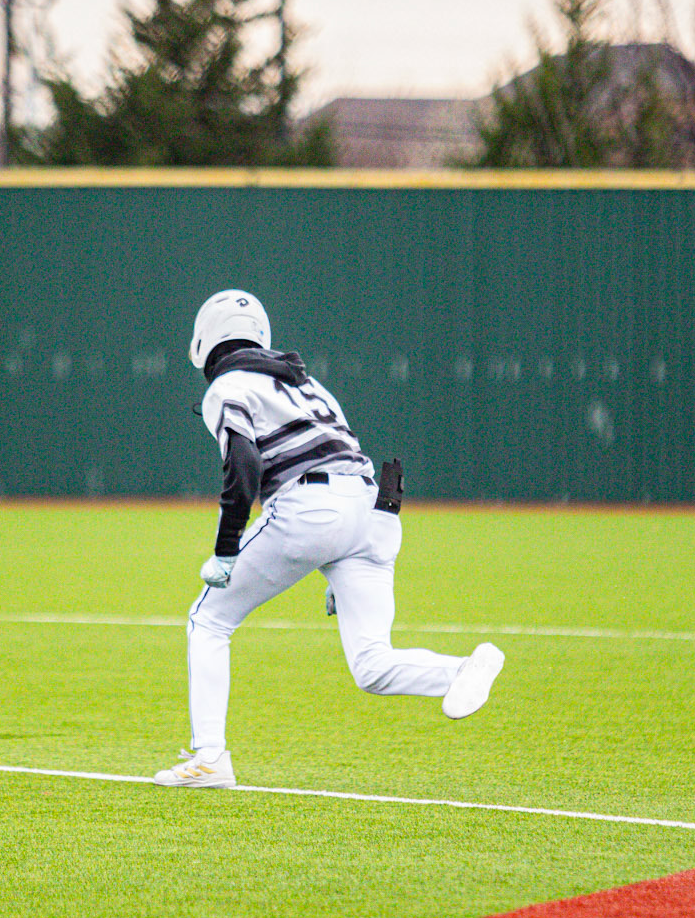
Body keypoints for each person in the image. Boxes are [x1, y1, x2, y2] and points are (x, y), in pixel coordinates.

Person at [155, 289, 503, 788]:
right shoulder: (308, 383)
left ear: (204, 342)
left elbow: (244, 465)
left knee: (208, 620)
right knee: (372, 664)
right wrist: (335, 559)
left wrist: (226, 549)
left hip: (311, 509)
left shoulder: (227, 386)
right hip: (375, 510)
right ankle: (462, 669)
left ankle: (210, 757)